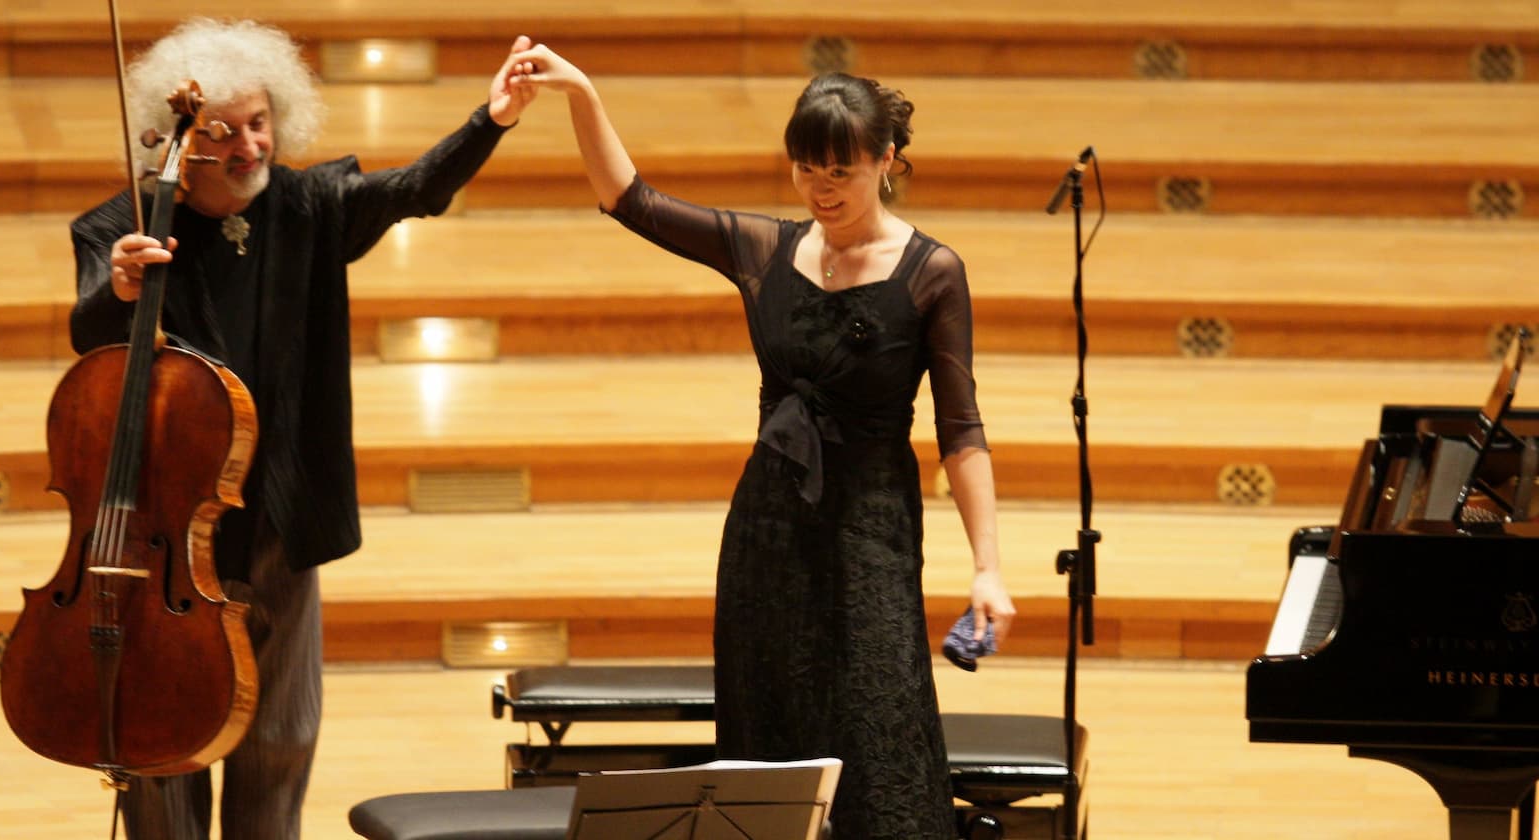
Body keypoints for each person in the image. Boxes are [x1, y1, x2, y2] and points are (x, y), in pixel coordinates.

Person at [507, 46, 1016, 839]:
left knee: (879, 745)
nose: (821, 189)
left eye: (839, 172)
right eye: (806, 169)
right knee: (769, 747)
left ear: (887, 161)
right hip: (767, 536)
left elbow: (962, 428)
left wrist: (988, 566)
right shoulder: (766, 250)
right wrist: (581, 91)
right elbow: (628, 199)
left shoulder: (931, 273)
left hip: (872, 540)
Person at [67, 18, 535, 840]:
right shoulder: (121, 227)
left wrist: (488, 120)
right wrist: (121, 292)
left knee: (280, 737)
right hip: (160, 537)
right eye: (224, 130)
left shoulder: (311, 207)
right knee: (160, 741)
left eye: (260, 123)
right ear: (180, 138)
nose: (249, 145)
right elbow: (88, 333)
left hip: (281, 514)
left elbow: (416, 188)